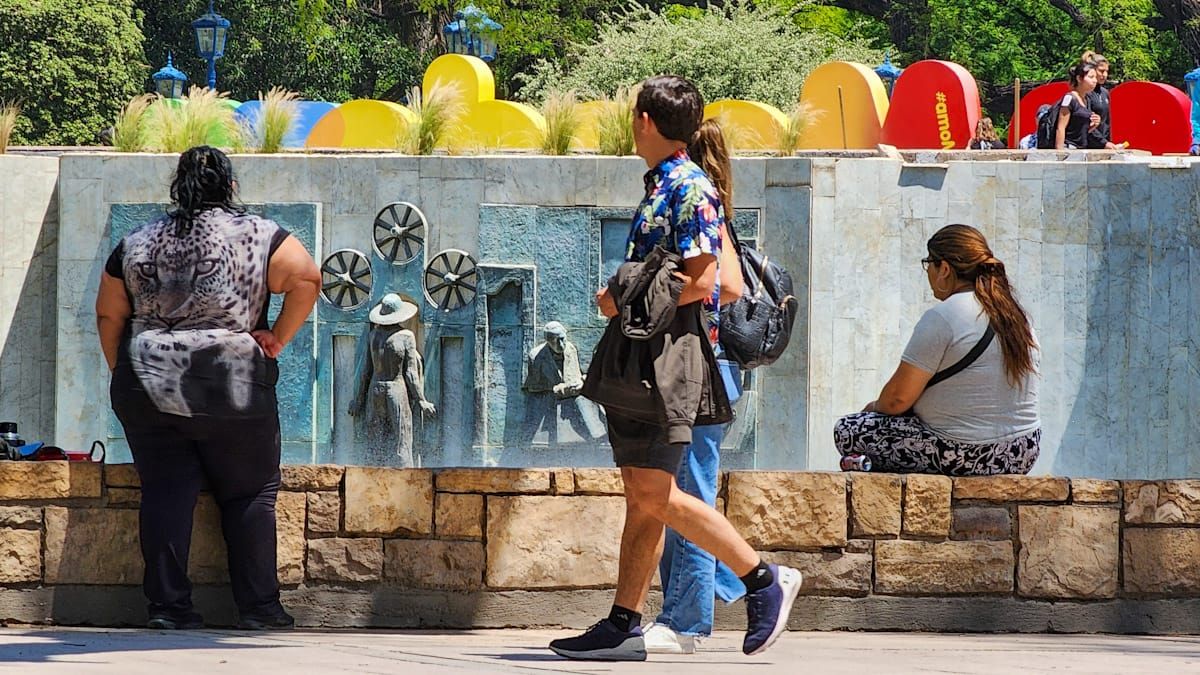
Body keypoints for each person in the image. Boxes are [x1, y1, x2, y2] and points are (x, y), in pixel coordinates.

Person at [549, 75, 801, 662]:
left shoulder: (688, 188)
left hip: (670, 358)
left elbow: (706, 281)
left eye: (632, 114)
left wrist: (624, 294)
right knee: (644, 495)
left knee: (655, 494)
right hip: (652, 353)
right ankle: (623, 624)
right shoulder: (666, 183)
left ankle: (763, 579)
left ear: (644, 121)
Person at [95, 146, 321, 630]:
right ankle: (259, 609)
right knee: (250, 492)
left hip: (147, 380)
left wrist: (123, 370)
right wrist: (277, 337)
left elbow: (109, 312)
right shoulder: (259, 234)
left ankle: (168, 609)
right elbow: (307, 277)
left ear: (177, 187)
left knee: (164, 491)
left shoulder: (137, 241)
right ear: (231, 186)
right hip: (231, 381)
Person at [642, 118, 749, 655]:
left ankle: (687, 620)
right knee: (679, 491)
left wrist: (651, 296)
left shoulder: (701, 211)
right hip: (707, 364)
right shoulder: (708, 209)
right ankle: (723, 586)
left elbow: (728, 286)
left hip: (703, 364)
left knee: (684, 491)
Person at [833, 224, 1041, 476]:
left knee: (849, 429)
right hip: (1022, 451)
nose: (928, 272)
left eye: (929, 263)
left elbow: (896, 400)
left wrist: (873, 407)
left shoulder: (944, 316)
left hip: (966, 452)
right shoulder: (1017, 317)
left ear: (944, 268)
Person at [348, 293, 437, 467]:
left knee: (374, 441)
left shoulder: (373, 335)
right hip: (396, 388)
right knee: (402, 438)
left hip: (375, 390)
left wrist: (358, 401)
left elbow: (366, 370)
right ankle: (406, 479)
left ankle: (371, 480)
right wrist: (421, 400)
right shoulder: (406, 336)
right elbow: (411, 373)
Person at [1054, 59, 1099, 150]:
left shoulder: (1087, 100)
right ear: (1079, 78)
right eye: (1091, 77)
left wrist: (1094, 125)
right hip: (1068, 148)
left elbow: (1080, 131)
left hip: (1081, 149)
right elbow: (1061, 128)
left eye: (1095, 77)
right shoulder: (1069, 98)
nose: (1095, 81)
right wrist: (1060, 153)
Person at [1083, 50, 1121, 150]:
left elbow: (1107, 122)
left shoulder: (1105, 92)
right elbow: (1085, 123)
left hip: (1103, 144)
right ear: (1092, 70)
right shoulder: (1086, 92)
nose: (1104, 74)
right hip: (1088, 145)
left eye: (1106, 71)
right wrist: (1103, 143)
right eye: (1101, 71)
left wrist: (1109, 142)